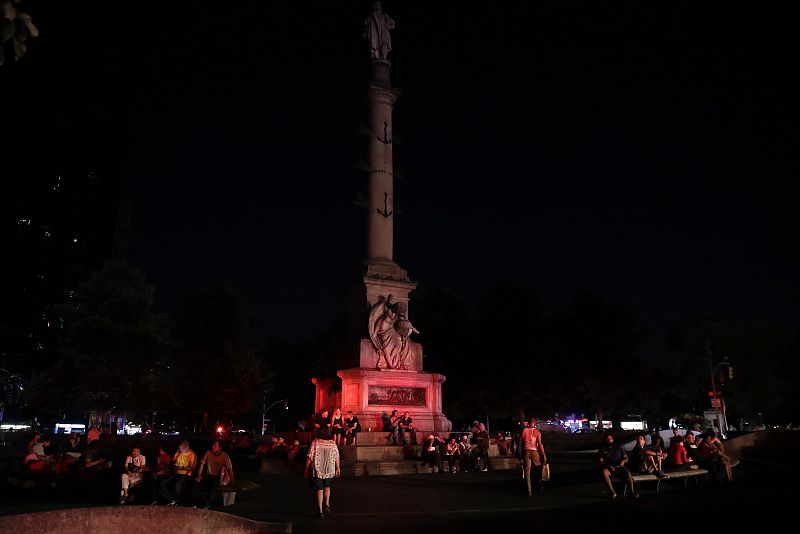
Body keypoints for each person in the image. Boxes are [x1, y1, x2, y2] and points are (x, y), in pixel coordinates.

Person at [368, 295, 419, 369]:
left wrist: (410, 328)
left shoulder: (395, 314)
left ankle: (398, 362)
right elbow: (379, 321)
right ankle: (392, 363)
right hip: (384, 332)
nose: (401, 315)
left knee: (400, 342)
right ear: (397, 310)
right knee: (392, 345)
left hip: (391, 331)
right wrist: (375, 332)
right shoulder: (389, 313)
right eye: (400, 312)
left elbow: (403, 322)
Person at [305, 429, 340, 519]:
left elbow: (310, 456)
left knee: (319, 489)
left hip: (318, 469)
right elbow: (336, 456)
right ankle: (327, 504)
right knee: (327, 486)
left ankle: (320, 512)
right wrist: (338, 467)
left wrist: (306, 469)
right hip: (329, 469)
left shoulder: (315, 442)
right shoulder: (333, 443)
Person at [195, 439, 234, 509]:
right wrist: (199, 475)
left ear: (220, 448)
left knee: (213, 485)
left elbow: (229, 469)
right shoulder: (208, 452)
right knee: (195, 482)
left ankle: (207, 504)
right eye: (213, 445)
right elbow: (202, 464)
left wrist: (232, 481)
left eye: (215, 446)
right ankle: (192, 503)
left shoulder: (225, 456)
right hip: (208, 475)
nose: (213, 446)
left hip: (217, 477)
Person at [598, 433, 635, 499]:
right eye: (608, 439)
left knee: (628, 473)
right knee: (604, 472)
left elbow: (626, 458)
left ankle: (631, 492)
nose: (609, 440)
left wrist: (623, 462)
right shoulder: (602, 449)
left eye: (610, 438)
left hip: (619, 467)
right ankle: (613, 492)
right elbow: (601, 461)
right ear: (605, 440)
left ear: (612, 439)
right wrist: (608, 466)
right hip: (609, 467)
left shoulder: (618, 447)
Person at [519, 418, 547, 496]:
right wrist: (544, 455)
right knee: (538, 468)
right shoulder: (537, 432)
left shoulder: (524, 431)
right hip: (534, 451)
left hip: (526, 451)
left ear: (529, 423)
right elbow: (540, 444)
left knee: (527, 471)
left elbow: (521, 441)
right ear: (535, 423)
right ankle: (539, 485)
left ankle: (529, 490)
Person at [165, 440, 197, 506]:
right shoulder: (178, 452)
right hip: (175, 473)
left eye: (181, 448)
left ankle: (177, 501)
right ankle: (171, 500)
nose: (180, 449)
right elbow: (173, 461)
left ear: (186, 447)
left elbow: (192, 468)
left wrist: (182, 467)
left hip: (185, 474)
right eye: (179, 448)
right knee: (163, 483)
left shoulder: (192, 454)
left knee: (178, 484)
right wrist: (175, 464)